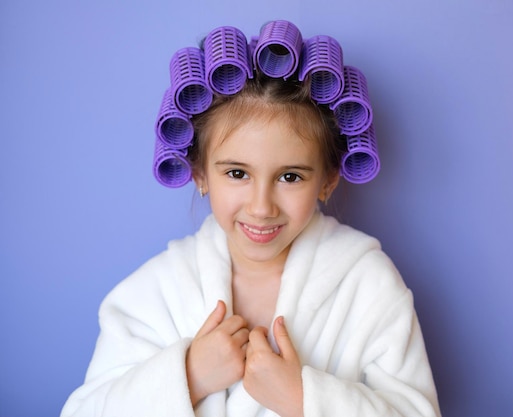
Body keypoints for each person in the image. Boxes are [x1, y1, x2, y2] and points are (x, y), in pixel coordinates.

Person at [61, 21, 441, 417]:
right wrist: (188, 377)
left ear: (328, 180)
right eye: (237, 173)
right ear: (200, 173)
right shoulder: (154, 293)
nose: (262, 207)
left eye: (290, 177)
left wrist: (304, 400)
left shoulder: (368, 285)